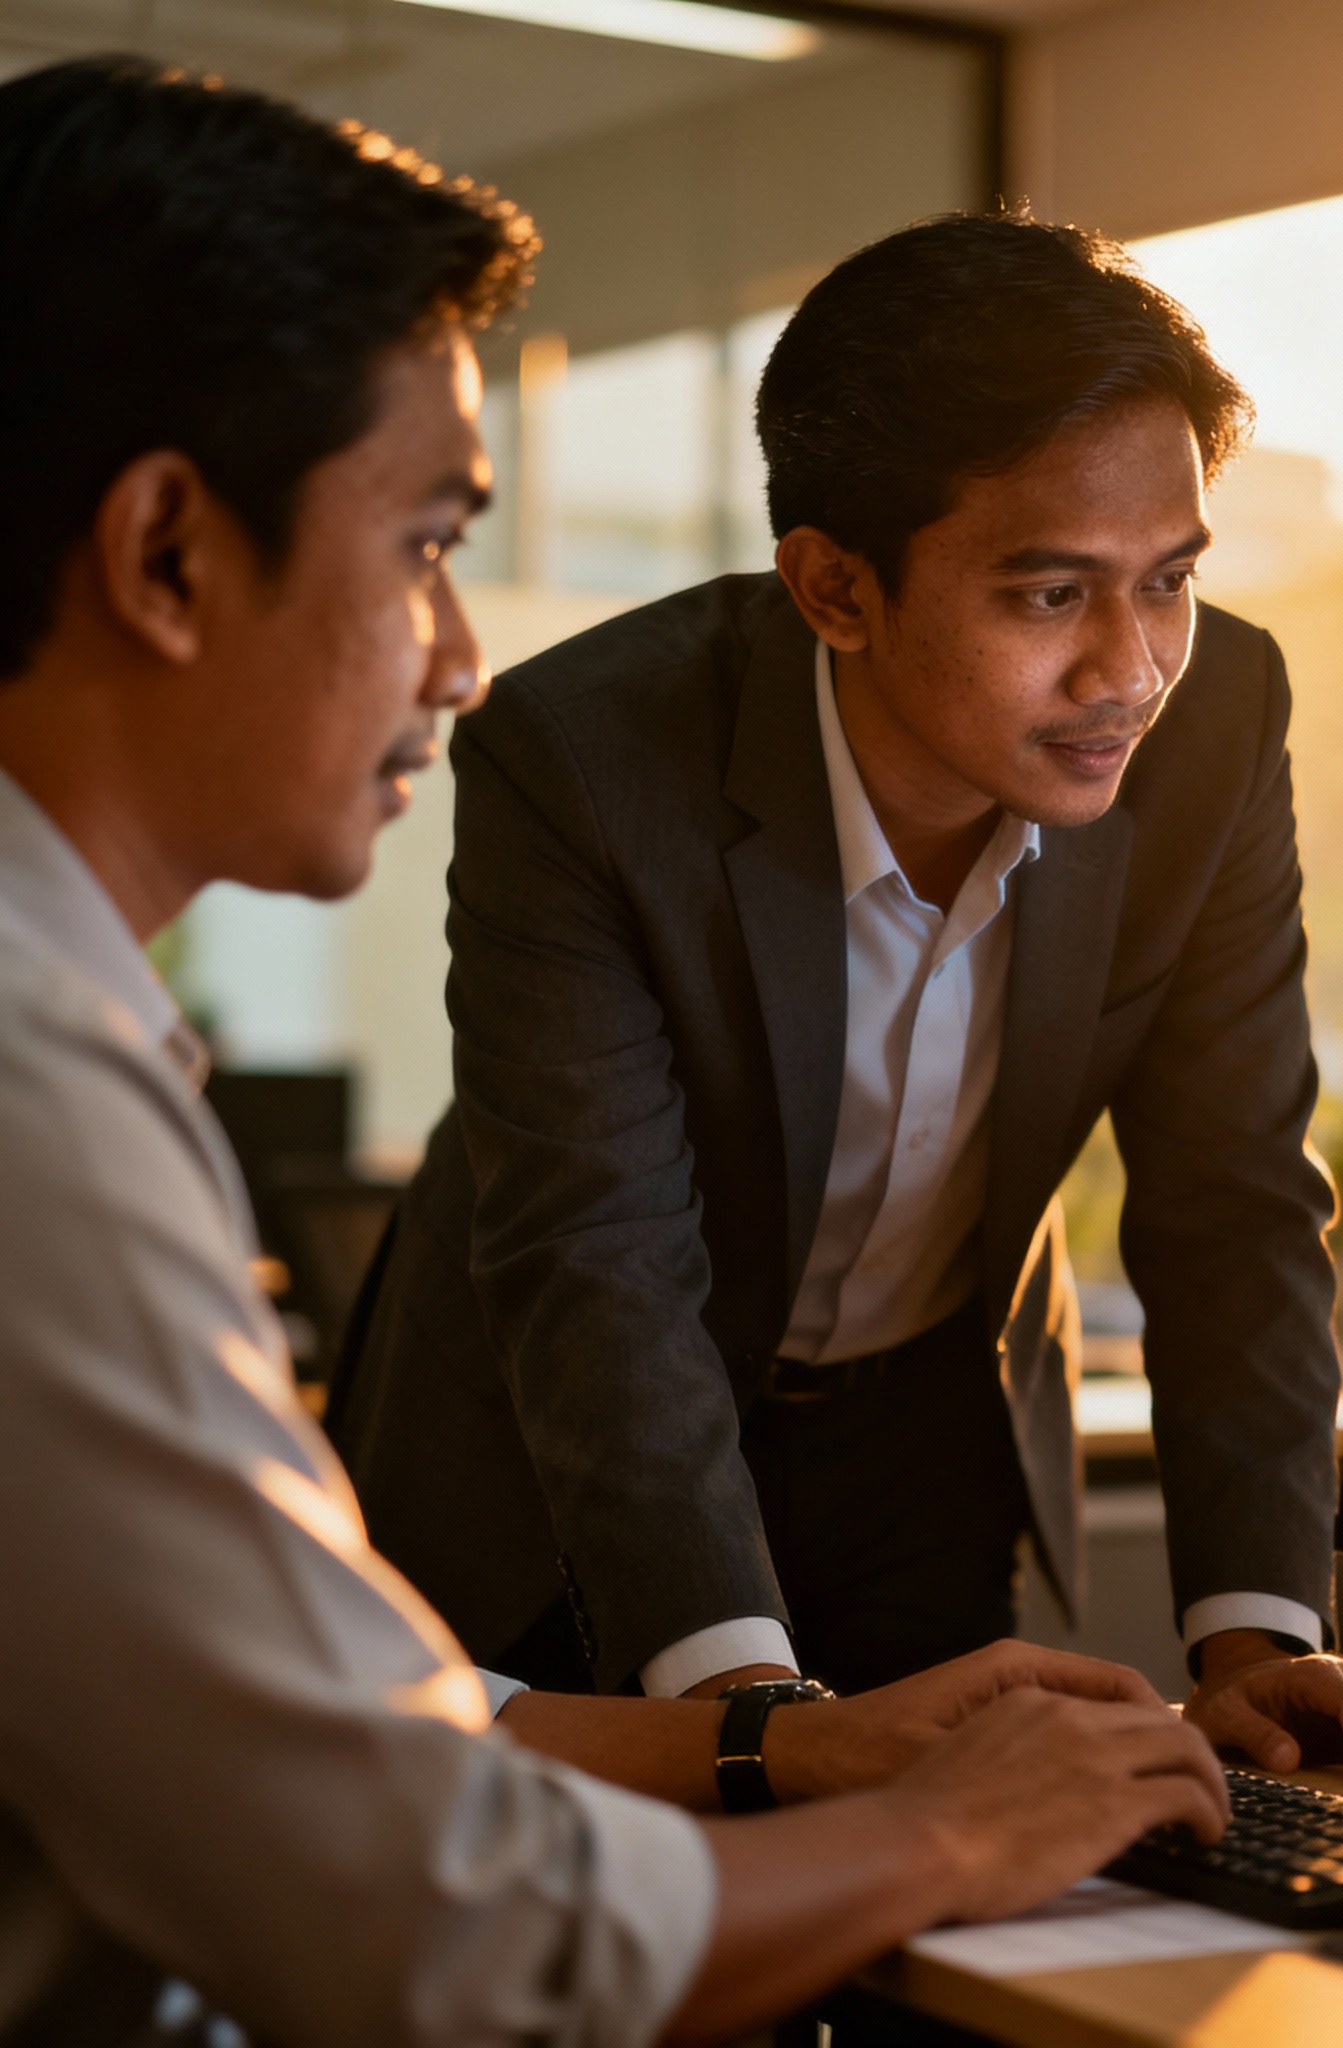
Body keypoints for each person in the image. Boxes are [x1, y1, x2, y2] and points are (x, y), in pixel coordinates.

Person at [0, 55, 1237, 2046]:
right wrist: (939, 1834)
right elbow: (449, 1933)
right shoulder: (35, 1105)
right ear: (165, 554)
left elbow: (375, 1725)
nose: (454, 653)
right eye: (423, 546)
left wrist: (790, 1754)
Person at [333, 214, 1343, 1785]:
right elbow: (600, 1261)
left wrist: (1261, 1647)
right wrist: (754, 1724)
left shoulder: (1214, 721)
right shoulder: (588, 756)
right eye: (1052, 596)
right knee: (615, 1910)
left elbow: (1235, 1201)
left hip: (924, 1434)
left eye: (1169, 581)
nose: (1132, 671)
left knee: (984, 1889)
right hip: (568, 1457)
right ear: (834, 589)